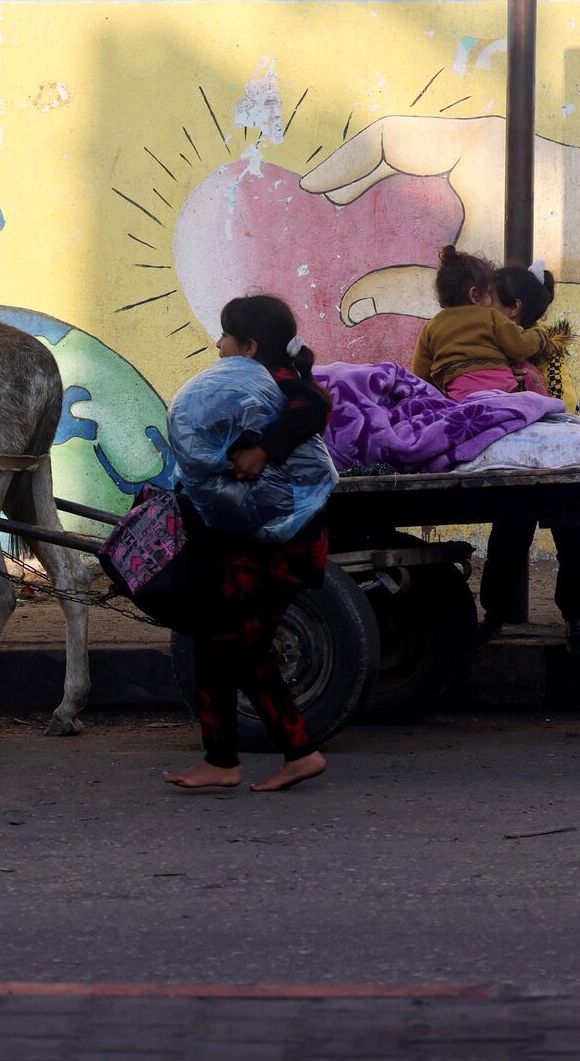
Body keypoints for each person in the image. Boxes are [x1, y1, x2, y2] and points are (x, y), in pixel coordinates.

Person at [162, 295, 335, 794]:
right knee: (225, 642)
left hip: (285, 545)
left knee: (229, 641)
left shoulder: (274, 380)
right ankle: (245, 758)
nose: (217, 345)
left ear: (250, 346)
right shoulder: (248, 390)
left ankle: (272, 754)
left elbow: (314, 402)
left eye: (225, 336)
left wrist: (264, 449)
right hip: (262, 544)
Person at [470, 264, 580, 654]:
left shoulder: (543, 350)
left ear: (513, 308)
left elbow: (563, 403)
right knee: (508, 541)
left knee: (573, 542)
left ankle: (574, 615)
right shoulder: (495, 347)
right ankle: (494, 616)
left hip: (554, 457)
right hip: (516, 458)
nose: (484, 306)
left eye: (491, 299)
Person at [410, 245, 558, 400]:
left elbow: (420, 379)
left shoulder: (430, 328)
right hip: (503, 393)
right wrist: (539, 336)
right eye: (488, 293)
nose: (489, 301)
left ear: (515, 307)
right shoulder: (491, 316)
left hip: (459, 398)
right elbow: (520, 346)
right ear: (474, 295)